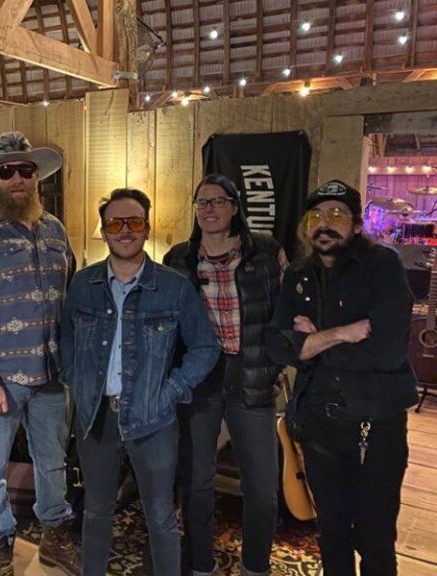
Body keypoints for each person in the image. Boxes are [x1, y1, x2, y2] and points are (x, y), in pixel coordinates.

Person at [61, 188, 220, 576]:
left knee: (160, 517)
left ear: (147, 228)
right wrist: (79, 386)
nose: (125, 230)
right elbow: (65, 343)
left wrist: (169, 392)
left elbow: (205, 347)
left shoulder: (174, 287)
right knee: (96, 512)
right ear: (104, 230)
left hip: (153, 419)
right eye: (115, 223)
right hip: (97, 419)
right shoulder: (82, 285)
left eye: (133, 222)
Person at [267, 180, 418, 576]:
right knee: (331, 534)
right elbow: (279, 346)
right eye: (315, 215)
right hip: (319, 424)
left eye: (336, 214)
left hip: (375, 426)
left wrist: (312, 340)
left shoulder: (382, 266)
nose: (325, 223)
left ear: (355, 224)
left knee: (375, 538)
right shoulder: (299, 273)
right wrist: (341, 333)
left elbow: (385, 352)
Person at [0, 131, 79, 576]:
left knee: (53, 462)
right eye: (8, 171)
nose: (18, 178)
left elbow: (69, 299)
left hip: (51, 376)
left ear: (37, 177)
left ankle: (55, 536)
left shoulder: (56, 230)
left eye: (27, 170)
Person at [163, 174, 286, 576]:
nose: (209, 209)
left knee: (263, 488)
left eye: (218, 201)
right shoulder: (179, 258)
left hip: (252, 375)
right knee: (197, 481)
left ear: (235, 207)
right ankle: (201, 564)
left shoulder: (266, 251)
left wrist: (280, 357)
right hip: (202, 378)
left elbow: (287, 306)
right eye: (202, 203)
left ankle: (255, 566)